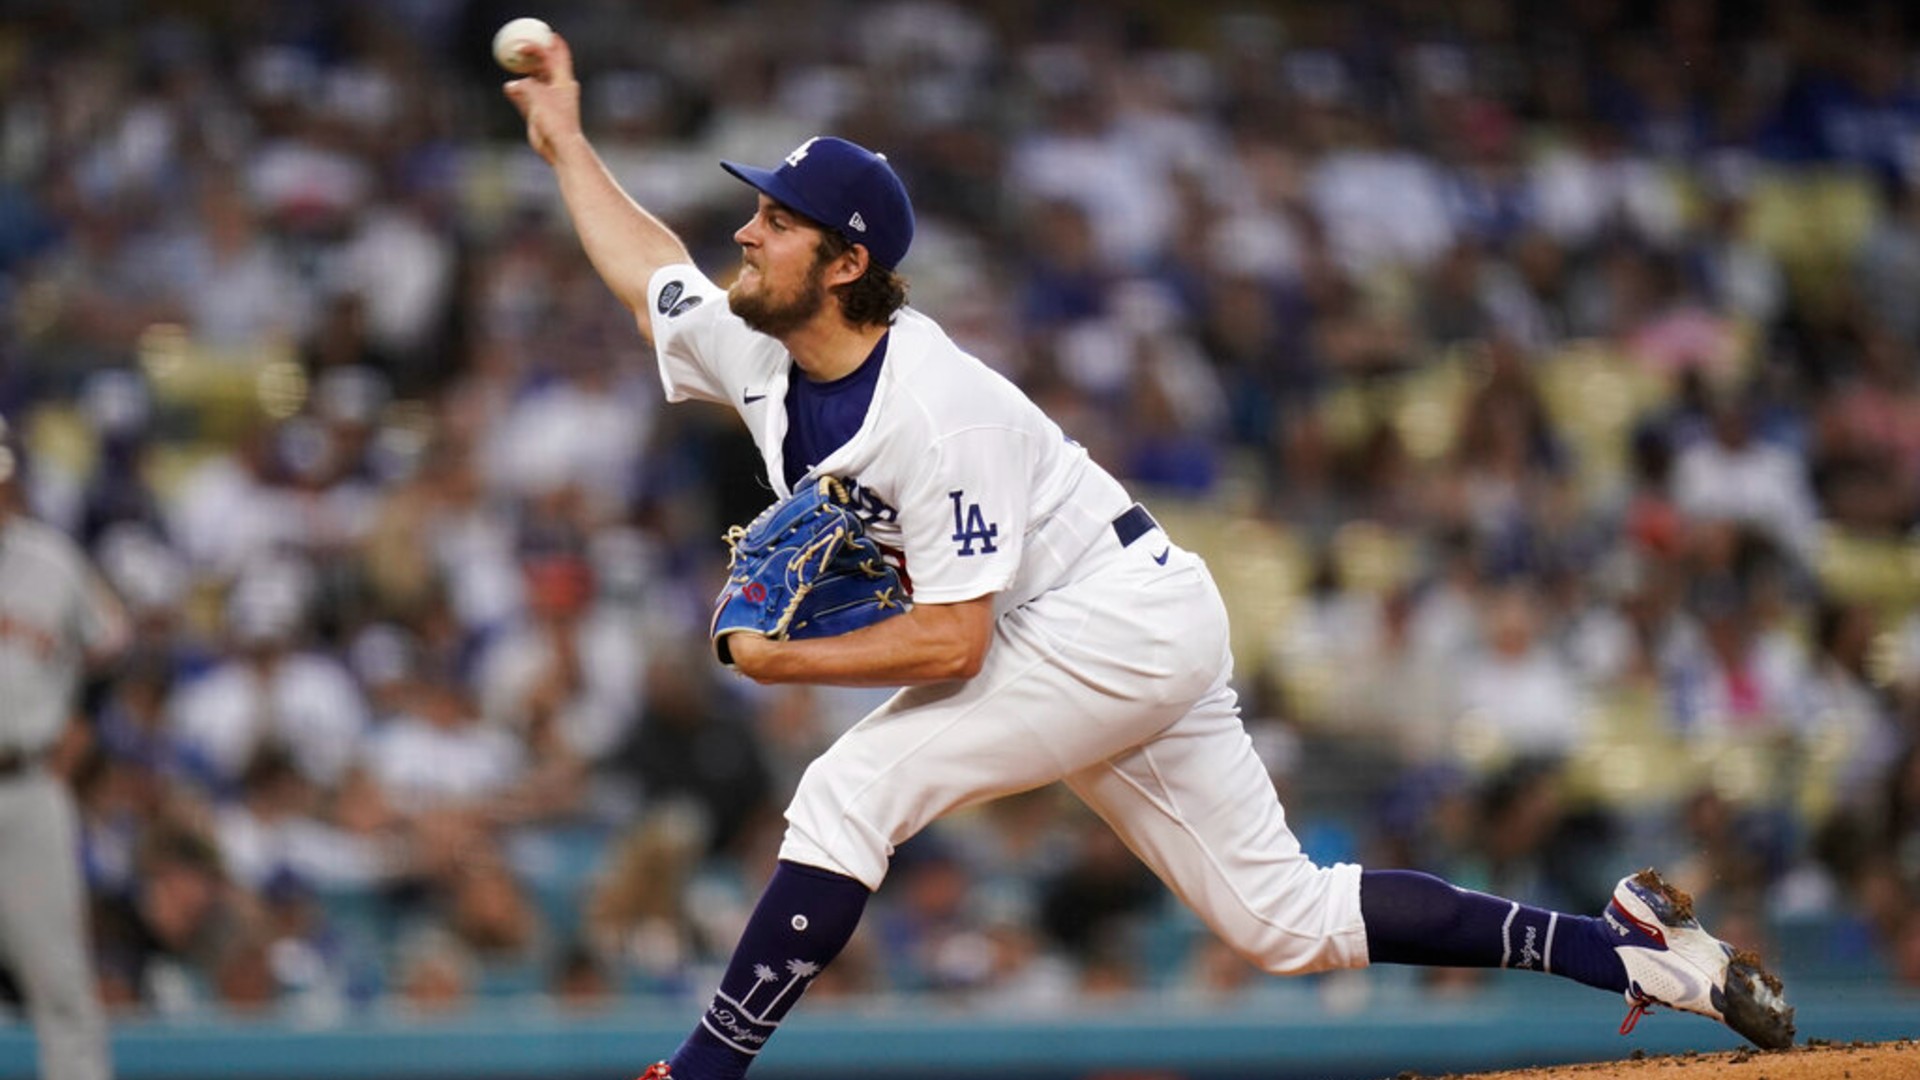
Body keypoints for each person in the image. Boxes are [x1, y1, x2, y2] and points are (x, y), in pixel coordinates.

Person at [501, 35, 1795, 1079]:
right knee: (1280, 922)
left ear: (848, 263)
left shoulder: (932, 407)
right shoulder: (763, 345)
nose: (746, 232)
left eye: (776, 221)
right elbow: (649, 273)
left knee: (853, 789)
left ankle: (703, 1069)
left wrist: (784, 658)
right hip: (1101, 620)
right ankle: (1631, 953)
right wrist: (566, 144)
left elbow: (953, 645)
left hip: (1105, 622)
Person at [0, 417, 128, 1080]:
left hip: (27, 783)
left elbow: (112, 649)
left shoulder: (51, 561)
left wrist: (81, 723)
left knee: (62, 985)